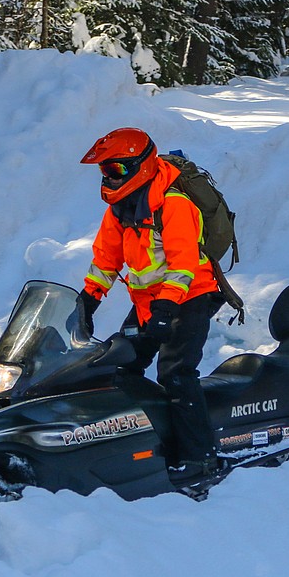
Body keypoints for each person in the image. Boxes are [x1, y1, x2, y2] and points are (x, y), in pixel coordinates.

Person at [74, 127, 224, 484]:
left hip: (189, 296)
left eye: (115, 170)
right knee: (120, 366)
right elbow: (106, 258)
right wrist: (88, 299)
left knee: (176, 374)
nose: (109, 178)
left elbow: (184, 264)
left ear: (139, 166)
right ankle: (141, 441)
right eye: (104, 171)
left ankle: (200, 458)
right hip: (151, 303)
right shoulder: (120, 207)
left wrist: (166, 309)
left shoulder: (174, 203)